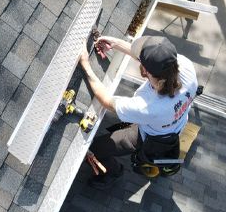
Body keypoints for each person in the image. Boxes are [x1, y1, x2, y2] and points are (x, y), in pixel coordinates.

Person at [78, 35, 198, 188]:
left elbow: (106, 100)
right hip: (175, 125)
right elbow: (155, 62)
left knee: (92, 150)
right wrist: (116, 43)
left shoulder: (147, 107)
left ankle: (113, 173)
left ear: (145, 70)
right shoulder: (186, 67)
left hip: (148, 137)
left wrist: (85, 64)